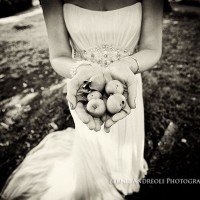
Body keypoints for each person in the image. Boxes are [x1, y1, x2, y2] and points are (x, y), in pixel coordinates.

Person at [1, 0, 163, 199]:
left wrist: (127, 64)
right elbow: (58, 55)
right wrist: (80, 70)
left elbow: (152, 47)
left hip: (125, 85)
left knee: (125, 139)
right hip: (85, 89)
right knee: (93, 142)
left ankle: (123, 177)